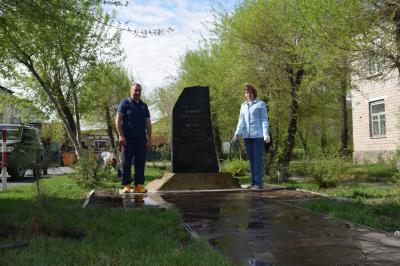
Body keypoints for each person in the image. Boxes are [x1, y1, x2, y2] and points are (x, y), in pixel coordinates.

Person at [115, 83, 152, 193]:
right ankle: (126, 185)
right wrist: (121, 135)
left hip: (141, 140)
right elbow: (117, 120)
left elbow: (148, 122)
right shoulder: (124, 103)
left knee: (140, 163)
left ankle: (139, 185)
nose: (137, 92)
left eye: (139, 90)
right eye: (135, 90)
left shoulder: (144, 105)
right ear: (131, 91)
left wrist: (149, 137)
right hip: (127, 139)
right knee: (126, 162)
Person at [232, 84, 270, 189]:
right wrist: (237, 134)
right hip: (247, 137)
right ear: (245, 94)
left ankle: (258, 183)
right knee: (251, 160)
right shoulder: (243, 105)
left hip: (258, 136)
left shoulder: (260, 104)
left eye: (250, 92)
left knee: (258, 160)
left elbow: (264, 120)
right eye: (247, 93)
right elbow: (241, 121)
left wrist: (266, 134)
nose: (248, 94)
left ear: (254, 93)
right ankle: (253, 183)